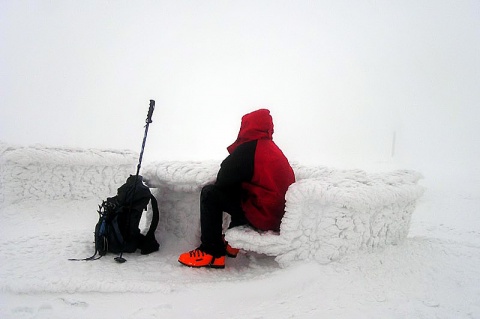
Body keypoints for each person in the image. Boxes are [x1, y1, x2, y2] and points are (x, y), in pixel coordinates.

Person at [178, 109, 295, 268]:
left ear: (248, 126)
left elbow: (223, 180)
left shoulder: (250, 148)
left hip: (263, 215)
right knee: (241, 192)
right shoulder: (271, 148)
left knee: (210, 194)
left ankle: (211, 252)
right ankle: (231, 245)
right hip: (277, 215)